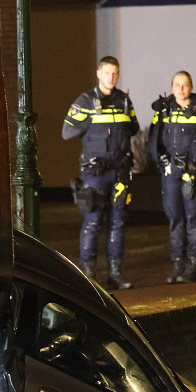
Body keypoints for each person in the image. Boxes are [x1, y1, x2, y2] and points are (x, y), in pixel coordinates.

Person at [62, 56, 139, 290]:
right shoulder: (85, 101)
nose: (112, 77)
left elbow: (133, 128)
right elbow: (66, 132)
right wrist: (89, 125)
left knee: (117, 223)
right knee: (93, 222)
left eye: (115, 73)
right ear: (98, 73)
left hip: (119, 172)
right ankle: (89, 276)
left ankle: (115, 273)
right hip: (95, 173)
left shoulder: (124, 100)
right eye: (107, 73)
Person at [147, 71, 196, 284]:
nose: (180, 89)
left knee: (194, 217)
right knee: (175, 217)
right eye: (177, 85)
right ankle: (177, 264)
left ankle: (194, 264)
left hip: (194, 170)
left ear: (191, 87)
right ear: (172, 87)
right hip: (171, 171)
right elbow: (154, 138)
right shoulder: (163, 109)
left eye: (185, 85)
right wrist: (161, 160)